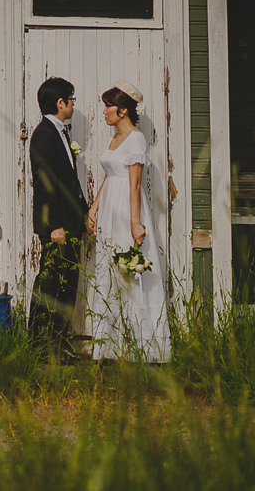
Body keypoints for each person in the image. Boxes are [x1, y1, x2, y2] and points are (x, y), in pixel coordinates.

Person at [86, 81, 170, 362]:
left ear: (123, 110)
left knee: (127, 271)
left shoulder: (135, 138)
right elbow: (110, 174)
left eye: (108, 107)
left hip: (126, 208)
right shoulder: (114, 139)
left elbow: (134, 185)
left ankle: (139, 347)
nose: (104, 112)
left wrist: (135, 223)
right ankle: (108, 347)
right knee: (107, 271)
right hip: (110, 204)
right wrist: (94, 207)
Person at [28, 76, 90, 357]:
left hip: (71, 224)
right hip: (57, 228)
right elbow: (44, 185)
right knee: (51, 285)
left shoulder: (61, 133)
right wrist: (53, 226)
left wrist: (85, 212)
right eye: (71, 100)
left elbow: (69, 181)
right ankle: (39, 347)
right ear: (60, 103)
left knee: (67, 287)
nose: (74, 105)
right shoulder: (43, 136)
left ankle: (59, 345)